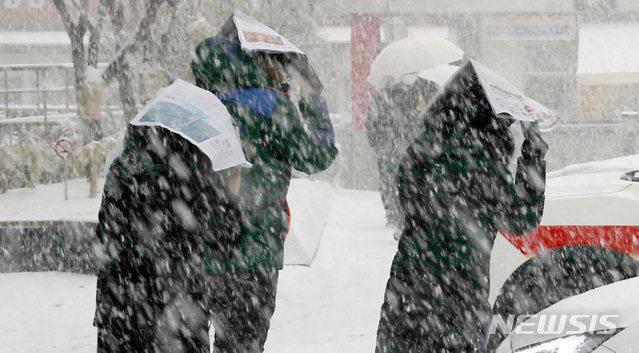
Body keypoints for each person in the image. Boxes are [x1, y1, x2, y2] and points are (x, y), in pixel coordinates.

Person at [374, 64, 548, 352]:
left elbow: (408, 200)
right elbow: (520, 219)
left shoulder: (421, 150)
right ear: (487, 113)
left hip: (406, 294)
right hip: (457, 303)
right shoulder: (482, 164)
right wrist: (533, 151)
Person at [190, 35, 338, 353]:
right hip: (250, 248)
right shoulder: (267, 104)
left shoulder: (196, 103)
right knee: (242, 343)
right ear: (258, 61)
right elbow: (317, 154)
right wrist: (311, 97)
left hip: (196, 249)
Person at [93, 123, 244, 352]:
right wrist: (232, 191)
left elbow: (106, 236)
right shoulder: (193, 167)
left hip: (120, 309)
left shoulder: (121, 166)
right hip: (179, 311)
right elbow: (223, 236)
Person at [365, 78, 440, 234]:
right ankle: (398, 217)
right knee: (392, 181)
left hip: (413, 148)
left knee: (409, 183)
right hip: (394, 149)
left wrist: (423, 111)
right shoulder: (385, 95)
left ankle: (404, 219)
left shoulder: (430, 89)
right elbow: (374, 125)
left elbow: (434, 120)